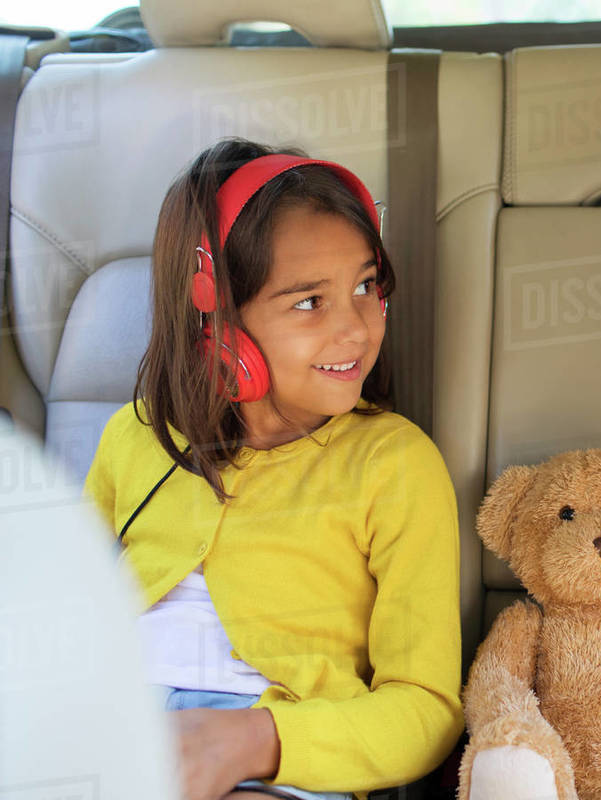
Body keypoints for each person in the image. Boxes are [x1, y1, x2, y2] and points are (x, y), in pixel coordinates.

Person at [84, 138, 463, 800]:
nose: (356, 327)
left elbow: (426, 712)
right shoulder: (133, 438)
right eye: (309, 302)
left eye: (367, 286)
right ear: (215, 322)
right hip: (101, 723)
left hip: (277, 750)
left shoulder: (394, 465)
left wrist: (254, 740)